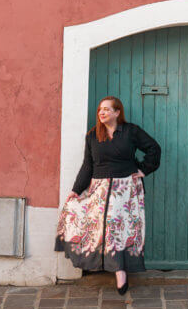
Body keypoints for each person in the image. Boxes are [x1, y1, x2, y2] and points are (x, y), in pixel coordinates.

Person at [55, 96, 161, 295]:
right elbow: (88, 166)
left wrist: (144, 170)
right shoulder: (93, 135)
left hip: (125, 190)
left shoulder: (131, 131)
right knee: (100, 228)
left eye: (106, 109)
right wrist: (75, 190)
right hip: (100, 189)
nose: (102, 113)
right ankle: (107, 266)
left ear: (117, 112)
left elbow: (154, 149)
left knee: (116, 228)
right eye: (100, 110)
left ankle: (120, 271)